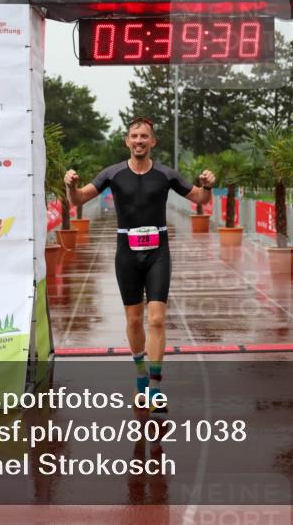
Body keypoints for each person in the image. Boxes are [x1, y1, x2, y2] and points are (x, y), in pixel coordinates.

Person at [65, 117, 215, 413]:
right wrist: (70, 185)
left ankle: (156, 389)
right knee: (134, 321)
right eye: (134, 136)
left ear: (153, 141)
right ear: (127, 141)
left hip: (158, 251)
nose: (139, 141)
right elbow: (78, 198)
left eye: (144, 136)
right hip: (127, 252)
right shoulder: (113, 173)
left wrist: (206, 184)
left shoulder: (166, 174)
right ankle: (141, 381)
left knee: (157, 319)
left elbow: (199, 198)